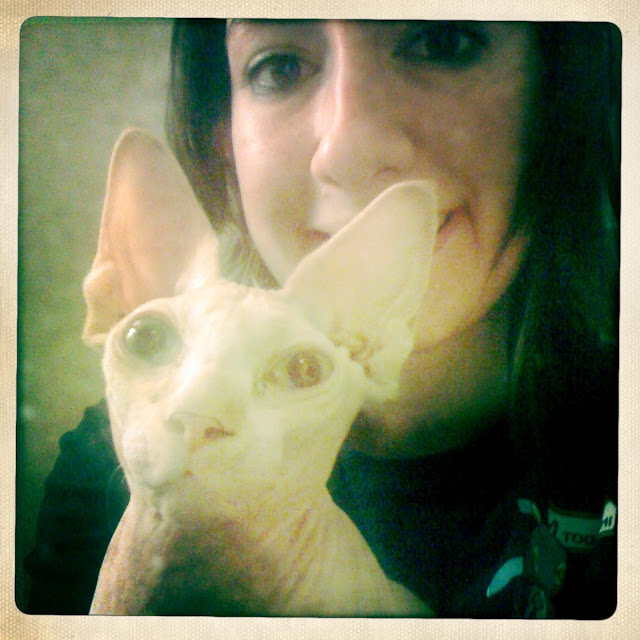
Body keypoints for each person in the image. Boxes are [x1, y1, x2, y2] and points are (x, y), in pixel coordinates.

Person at [24, 19, 620, 618]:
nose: (348, 149)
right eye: (279, 66)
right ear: (221, 135)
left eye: (442, 41)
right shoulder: (106, 464)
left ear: (563, 90)